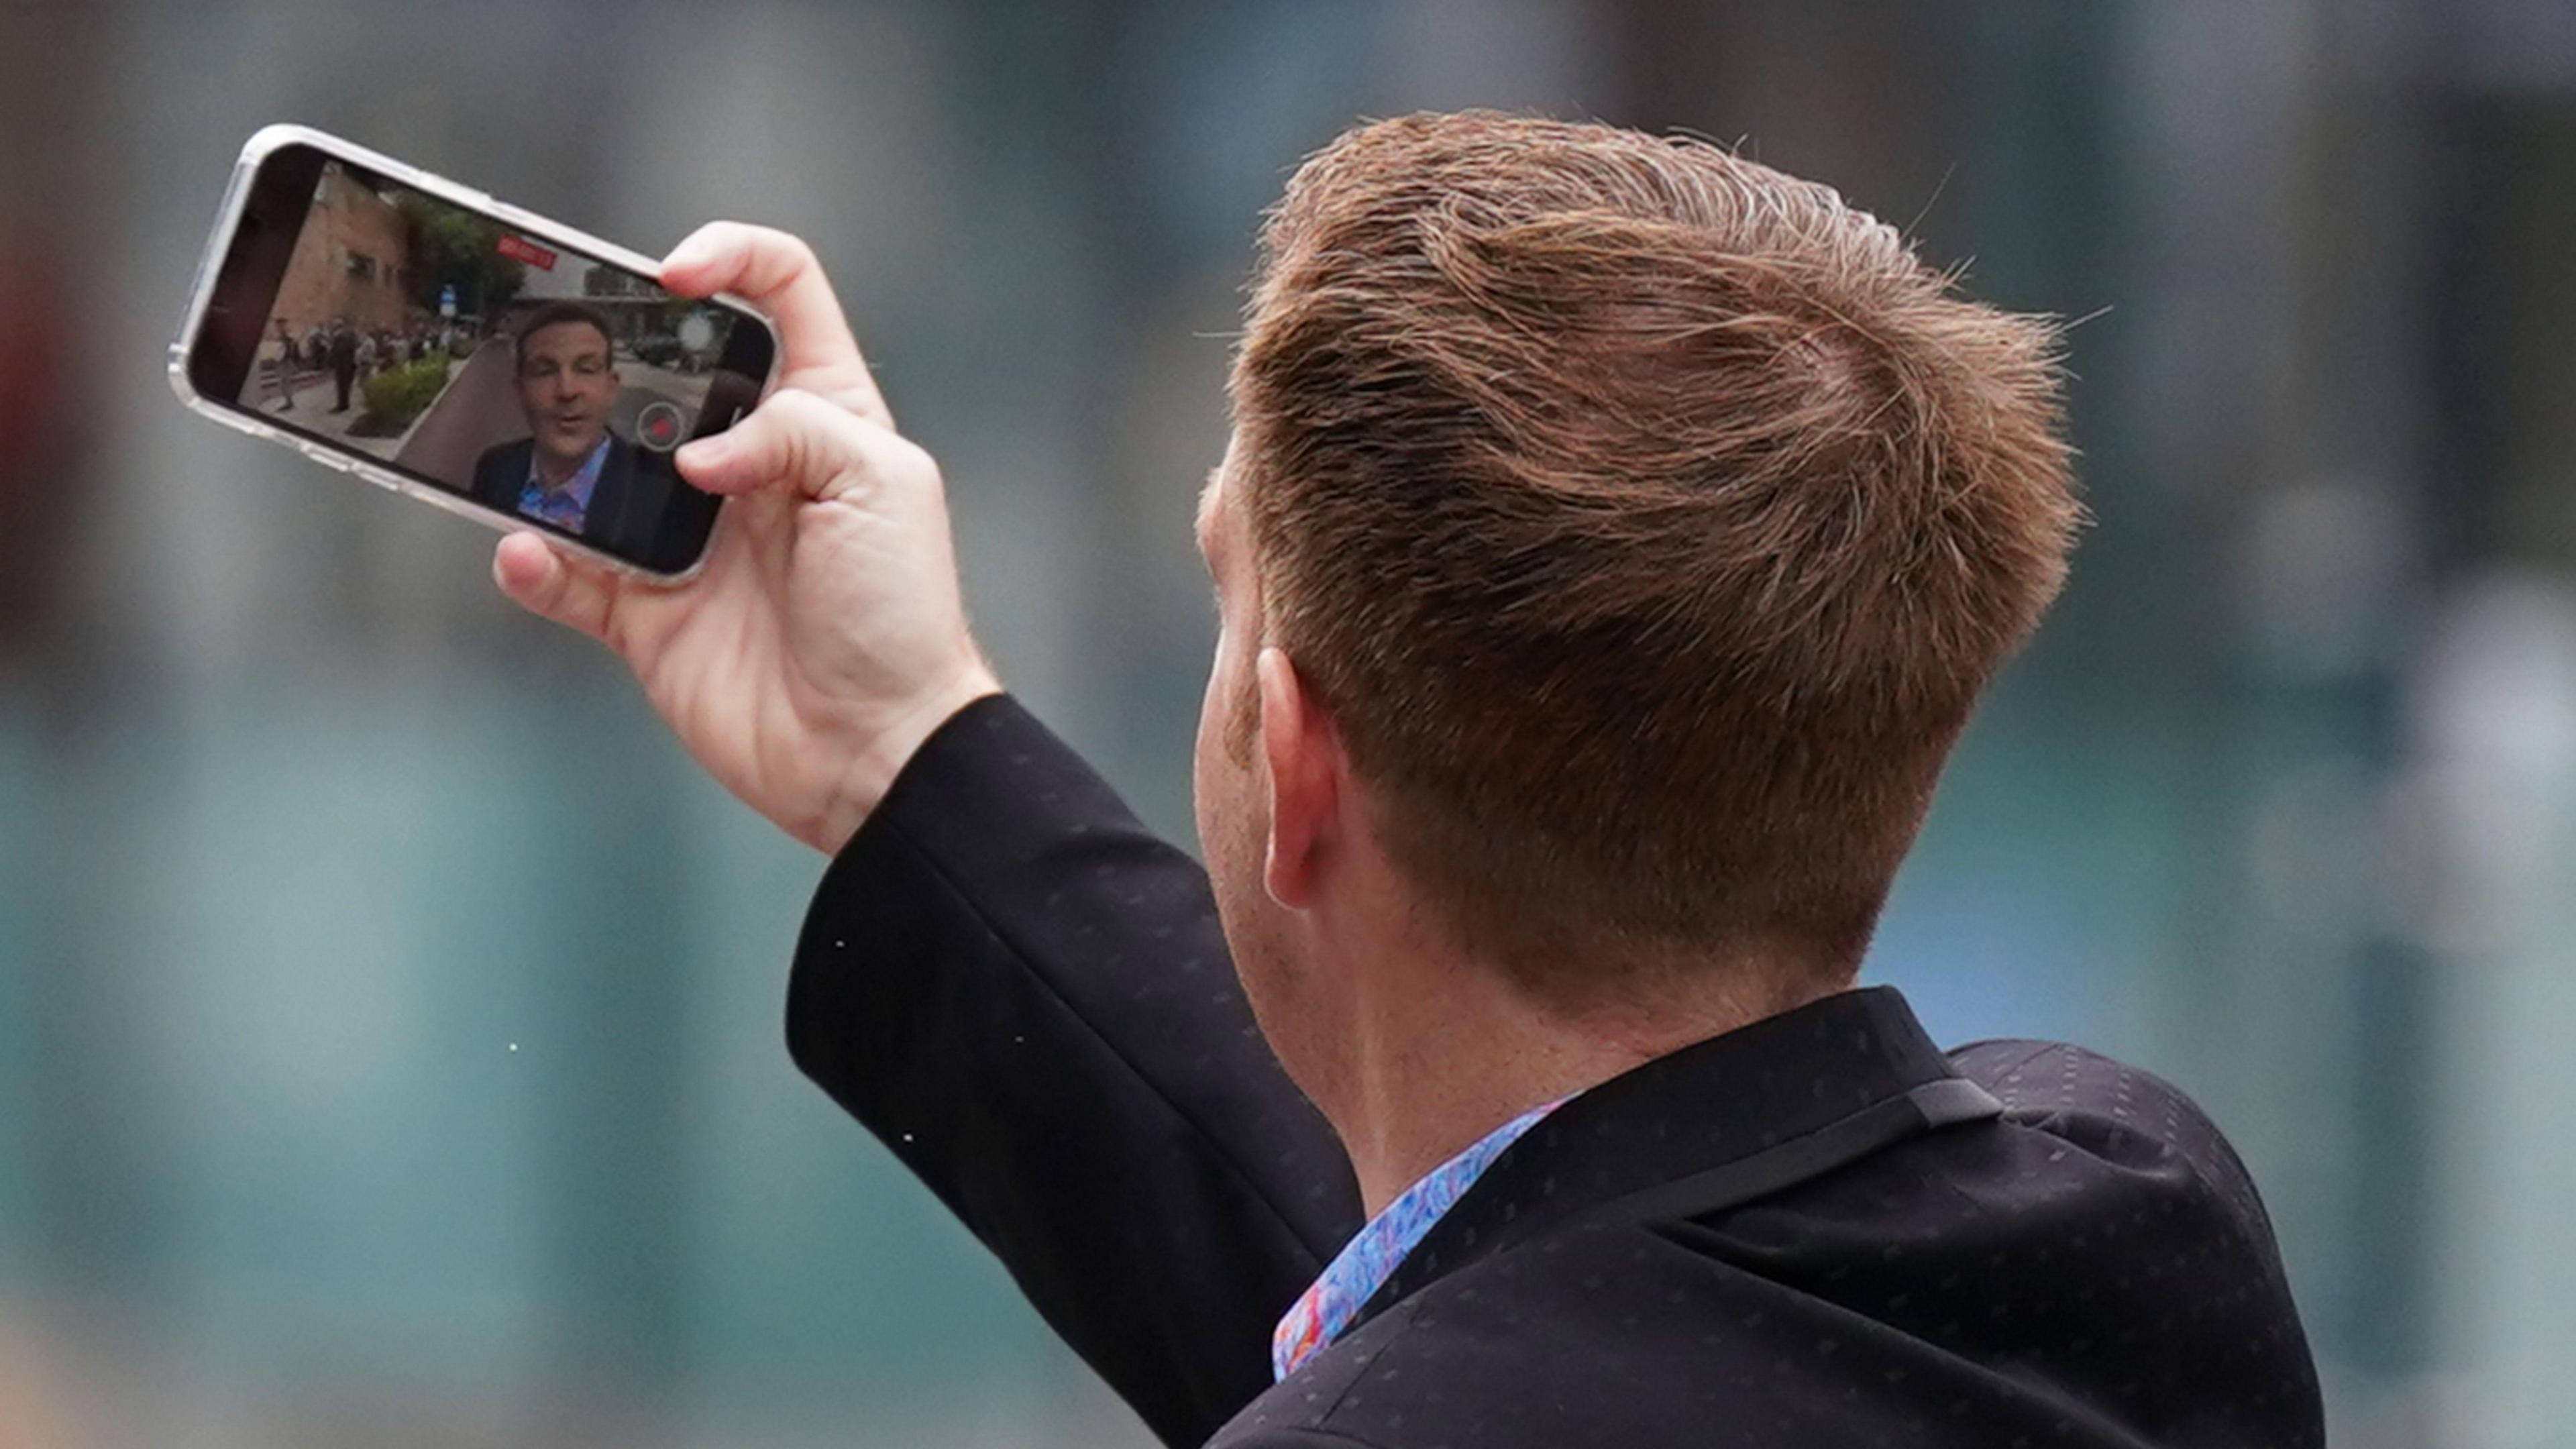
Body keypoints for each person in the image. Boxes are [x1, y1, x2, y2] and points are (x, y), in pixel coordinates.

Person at [491, 114, 2324, 1448]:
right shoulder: (2129, 1233)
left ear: (1291, 765)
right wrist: (904, 751)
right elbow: (1531, 1295)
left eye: (1225, 598)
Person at [470, 301, 667, 559]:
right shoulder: (494, 469)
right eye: (544, 371)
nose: (567, 390)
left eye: (586, 369)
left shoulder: (660, 490)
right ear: (521, 391)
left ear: (611, 388)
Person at [325, 318, 358, 414]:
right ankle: (345, 404)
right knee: (345, 386)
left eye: (334, 324)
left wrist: (331, 349)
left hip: (343, 363)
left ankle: (342, 406)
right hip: (348, 363)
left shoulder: (341, 335)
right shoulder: (351, 333)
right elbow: (354, 346)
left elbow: (340, 349)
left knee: (342, 386)